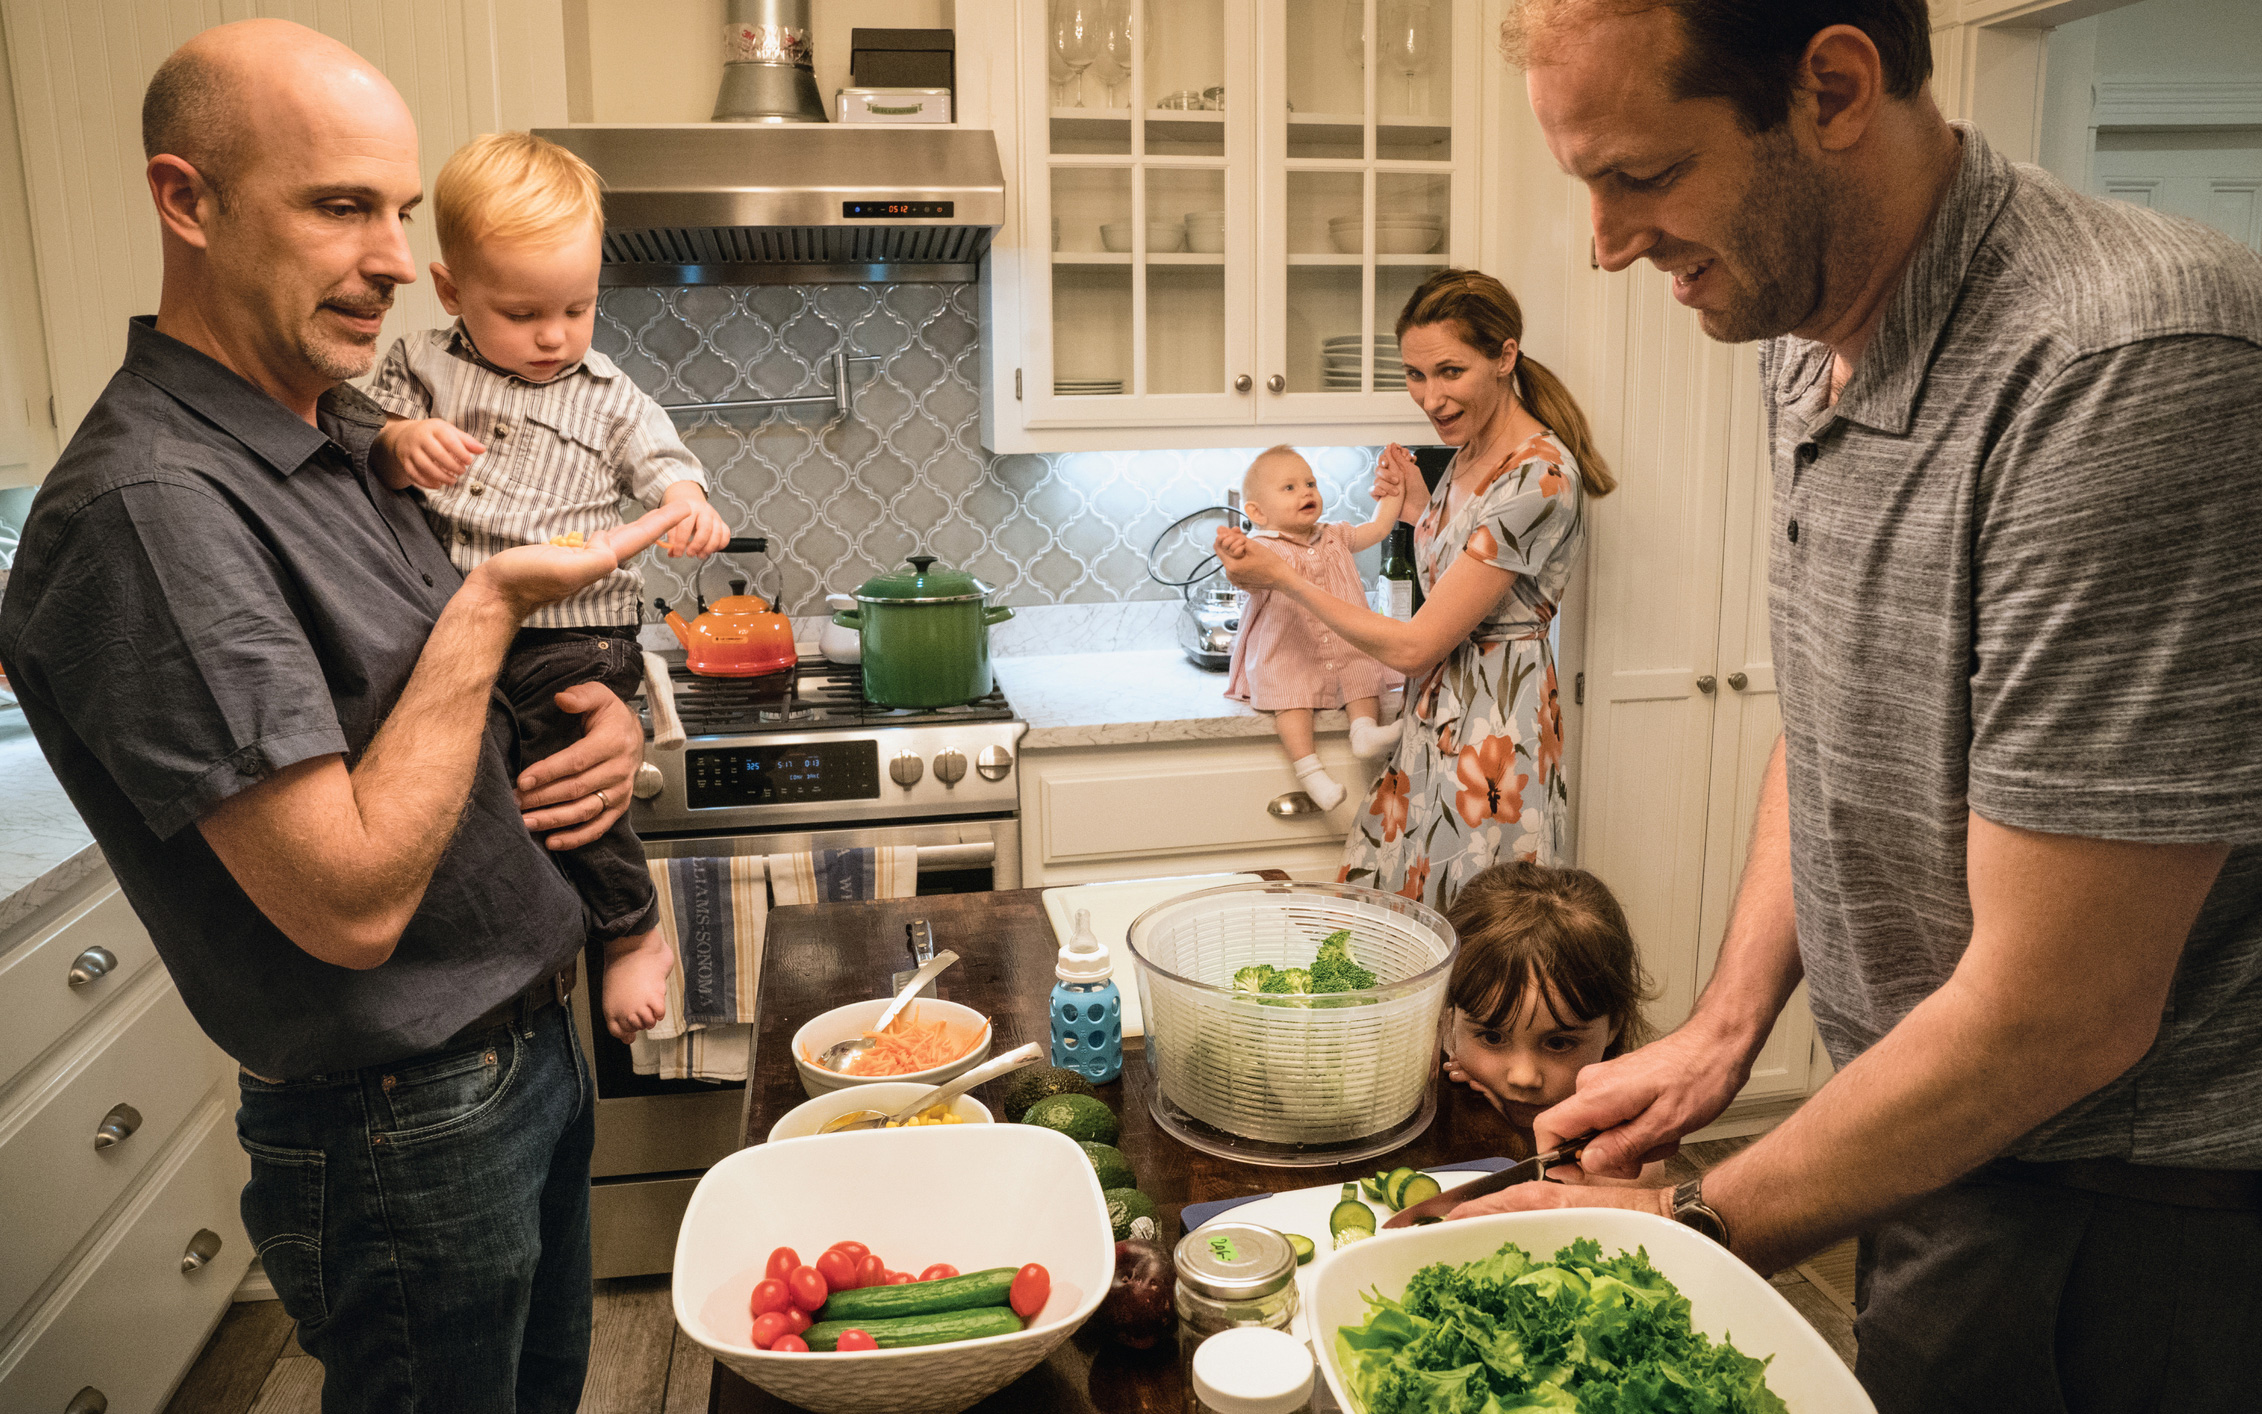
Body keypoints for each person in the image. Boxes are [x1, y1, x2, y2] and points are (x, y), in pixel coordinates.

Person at [1448, 3, 2262, 1411]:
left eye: (1640, 175)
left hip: (2115, 1206)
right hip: (1925, 1130)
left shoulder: (2117, 368)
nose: (1605, 242)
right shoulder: (1801, 331)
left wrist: (1682, 1237)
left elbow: (2063, 1015)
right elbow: (1824, 724)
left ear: (1829, 88)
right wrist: (1721, 1030)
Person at [0, 20, 677, 1410]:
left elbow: (414, 720)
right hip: (403, 1123)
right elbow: (351, 899)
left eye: (397, 209)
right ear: (186, 200)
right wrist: (494, 613)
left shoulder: (328, 440)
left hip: (520, 1051)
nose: (385, 256)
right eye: (336, 205)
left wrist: (597, 722)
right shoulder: (155, 509)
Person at [365, 130, 730, 1043]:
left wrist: (689, 503)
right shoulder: (420, 368)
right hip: (459, 630)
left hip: (575, 631)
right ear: (451, 291)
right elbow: (356, 420)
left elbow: (665, 461)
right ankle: (545, 937)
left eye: (579, 307)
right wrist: (396, 442)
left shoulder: (606, 393)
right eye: (523, 311)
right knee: (480, 785)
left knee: (563, 769)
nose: (555, 335)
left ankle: (632, 929)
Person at [1218, 268, 1616, 912]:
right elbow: (1465, 553)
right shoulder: (1469, 451)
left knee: (1473, 940)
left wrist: (1283, 576)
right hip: (1433, 723)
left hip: (1493, 741)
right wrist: (1413, 505)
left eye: (1450, 372)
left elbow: (1414, 645)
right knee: (1403, 932)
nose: (1431, 398)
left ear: (1504, 355)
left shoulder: (1539, 477)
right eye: (1415, 375)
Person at [1434, 861, 1659, 1181]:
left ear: (1615, 1024)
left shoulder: (1630, 1147)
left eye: (1557, 1042)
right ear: (1449, 1018)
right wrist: (1484, 1126)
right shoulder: (1431, 1105)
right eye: (1492, 1037)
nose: (1523, 1077)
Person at [1223, 445, 1405, 810]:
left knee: (1362, 670)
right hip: (1288, 651)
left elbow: (1379, 527)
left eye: (1310, 483)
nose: (1306, 492)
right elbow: (1244, 579)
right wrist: (1234, 555)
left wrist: (1394, 493)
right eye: (1289, 488)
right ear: (1256, 512)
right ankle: (1311, 773)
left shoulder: (1334, 535)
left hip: (1343, 645)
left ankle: (1364, 732)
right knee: (1289, 698)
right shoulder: (1261, 549)